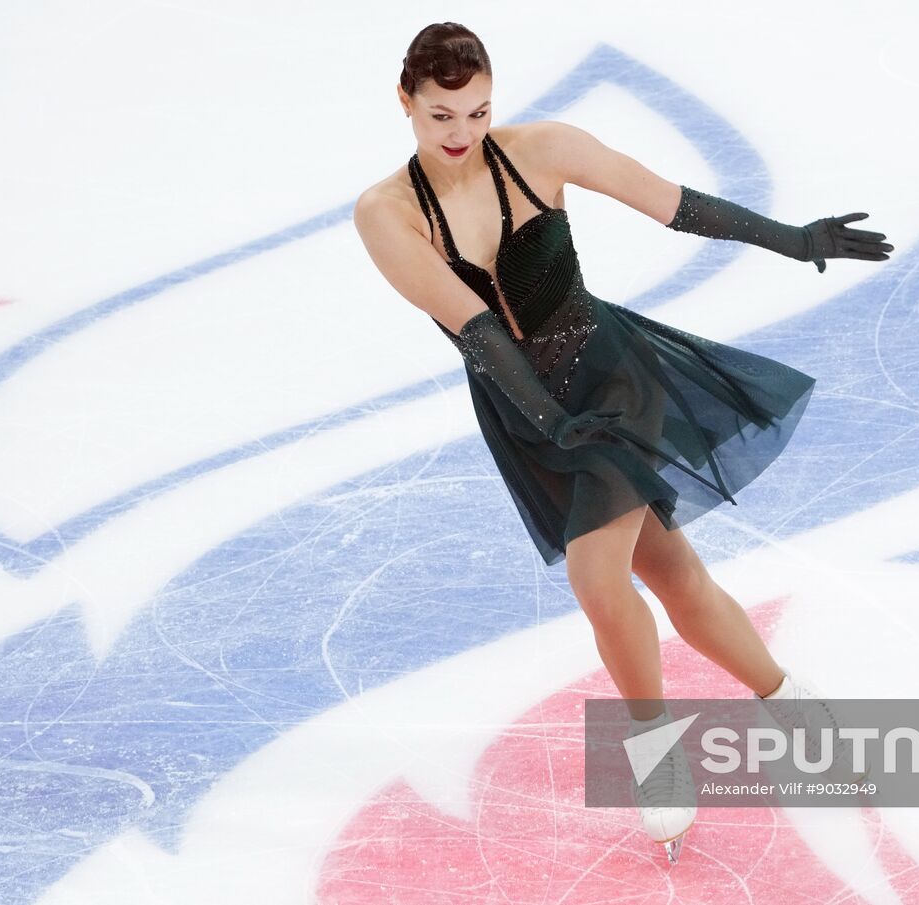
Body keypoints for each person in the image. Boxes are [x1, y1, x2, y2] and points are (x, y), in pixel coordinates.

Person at [353, 22, 891, 865]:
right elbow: (477, 331)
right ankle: (792, 704)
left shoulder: (544, 149)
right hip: (523, 408)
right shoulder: (384, 215)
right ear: (405, 104)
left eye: (479, 110)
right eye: (441, 116)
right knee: (675, 578)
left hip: (608, 376)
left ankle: (657, 756)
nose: (462, 133)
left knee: (595, 573)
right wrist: (549, 422)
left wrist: (792, 239)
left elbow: (671, 201)